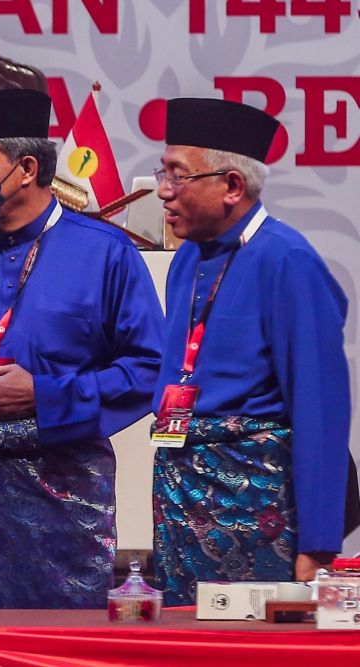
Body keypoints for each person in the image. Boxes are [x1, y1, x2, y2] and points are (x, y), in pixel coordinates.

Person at [0, 89, 164, 609]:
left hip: (60, 495)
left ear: (24, 168)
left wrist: (43, 394)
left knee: (54, 645)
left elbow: (148, 370)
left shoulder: (105, 253)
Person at [151, 97, 356, 605]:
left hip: (258, 510)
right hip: (182, 501)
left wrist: (318, 543)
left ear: (232, 186)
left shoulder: (288, 262)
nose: (163, 191)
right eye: (164, 172)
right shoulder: (186, 261)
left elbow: (321, 409)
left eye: (178, 176)